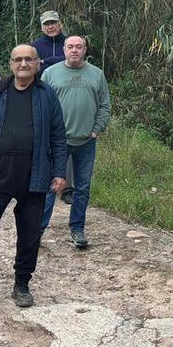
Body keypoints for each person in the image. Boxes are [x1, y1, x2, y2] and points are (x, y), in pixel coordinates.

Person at [0, 44, 67, 310]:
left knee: (30, 233)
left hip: (35, 172)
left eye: (28, 59)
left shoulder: (46, 95)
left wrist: (60, 172)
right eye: (18, 59)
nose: (23, 64)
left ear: (37, 63)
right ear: (11, 64)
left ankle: (22, 284)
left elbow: (58, 136)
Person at [40, 35, 111, 249]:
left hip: (86, 142)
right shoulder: (50, 74)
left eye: (78, 47)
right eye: (70, 47)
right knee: (50, 187)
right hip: (57, 142)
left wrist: (96, 130)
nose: (74, 50)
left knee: (82, 188)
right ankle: (37, 230)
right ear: (64, 49)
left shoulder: (96, 74)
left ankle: (77, 229)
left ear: (85, 50)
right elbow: (40, 105)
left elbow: (105, 106)